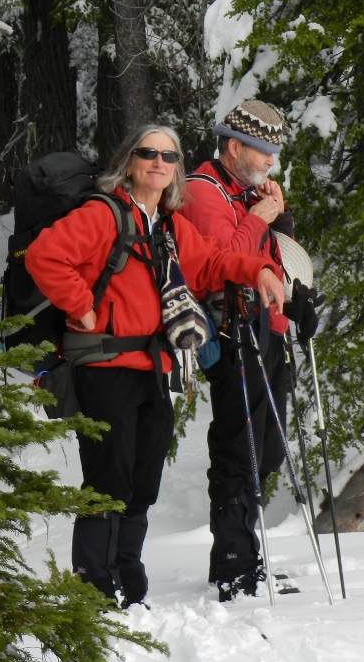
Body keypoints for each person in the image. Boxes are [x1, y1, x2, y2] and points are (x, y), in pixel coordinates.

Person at [25, 123, 284, 608]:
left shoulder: (166, 224)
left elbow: (209, 263)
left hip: (152, 365)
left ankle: (129, 583)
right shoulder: (103, 215)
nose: (158, 163)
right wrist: (80, 305)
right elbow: (46, 256)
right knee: (108, 479)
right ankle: (96, 593)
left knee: (142, 481)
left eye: (169, 157)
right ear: (129, 161)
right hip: (103, 365)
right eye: (148, 153)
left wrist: (260, 269)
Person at [181, 100, 303, 602]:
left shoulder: (247, 192)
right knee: (240, 445)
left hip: (268, 328)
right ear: (235, 146)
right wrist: (260, 215)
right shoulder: (201, 190)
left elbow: (273, 256)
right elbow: (224, 259)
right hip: (233, 332)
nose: (271, 162)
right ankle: (233, 562)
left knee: (268, 448)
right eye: (264, 152)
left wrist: (279, 221)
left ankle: (241, 555)